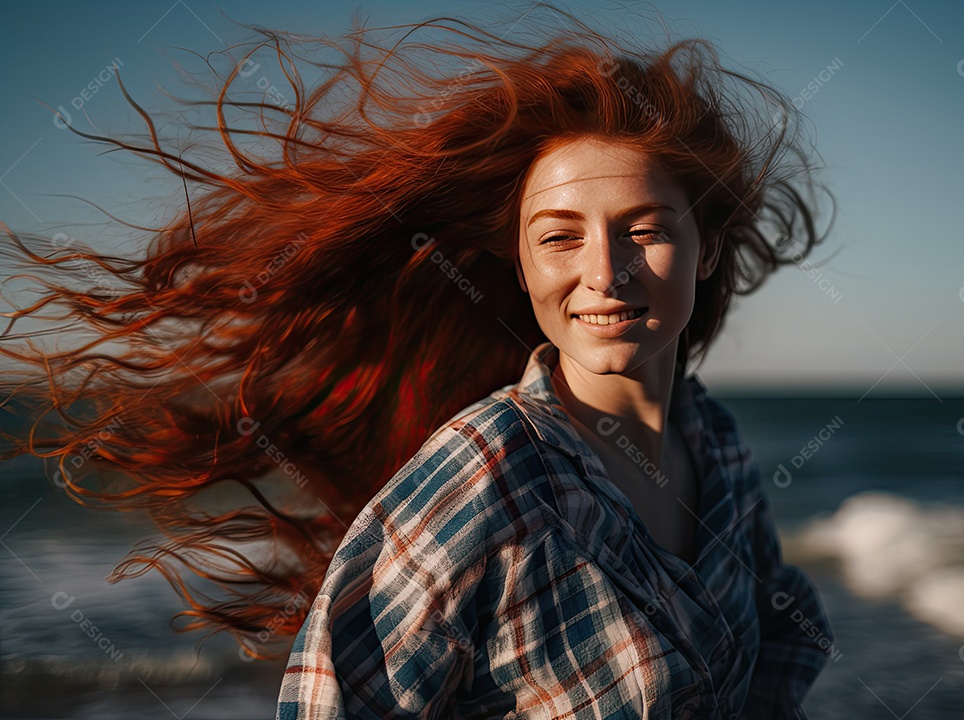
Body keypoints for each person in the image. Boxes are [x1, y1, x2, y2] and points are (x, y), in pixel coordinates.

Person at [0, 5, 832, 718]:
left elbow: (776, 659)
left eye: (643, 230)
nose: (603, 273)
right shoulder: (487, 471)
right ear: (519, 265)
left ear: (707, 247)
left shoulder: (717, 446)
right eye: (559, 238)